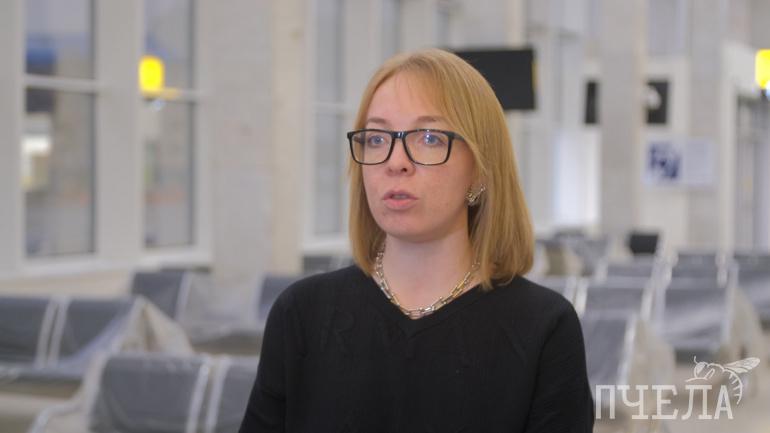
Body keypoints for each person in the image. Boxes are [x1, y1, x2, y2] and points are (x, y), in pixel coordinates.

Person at [240, 48, 594, 432]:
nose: (396, 162)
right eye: (377, 139)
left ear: (479, 170)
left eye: (428, 137)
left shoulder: (542, 327)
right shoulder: (303, 313)